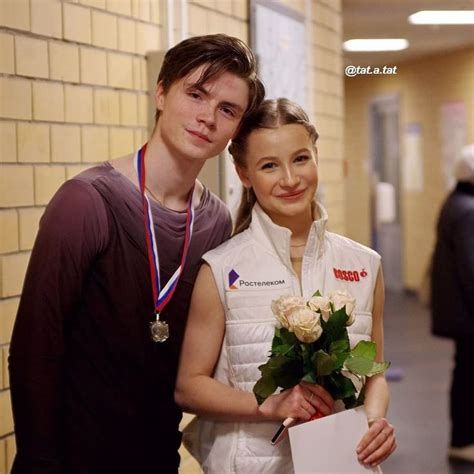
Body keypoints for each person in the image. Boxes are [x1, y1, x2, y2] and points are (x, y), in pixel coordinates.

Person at [8, 34, 265, 474]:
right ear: (161, 92)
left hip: (157, 455)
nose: (207, 117)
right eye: (196, 94)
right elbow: (35, 348)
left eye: (227, 110)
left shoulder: (215, 221)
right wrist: (40, 461)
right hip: (71, 459)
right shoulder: (86, 201)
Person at [175, 98, 396, 473]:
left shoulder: (364, 264)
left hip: (342, 463)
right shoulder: (221, 269)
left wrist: (374, 422)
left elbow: (372, 373)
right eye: (269, 166)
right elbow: (189, 386)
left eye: (300, 159)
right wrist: (267, 406)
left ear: (315, 155)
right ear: (243, 173)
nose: (291, 180)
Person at [431, 144, 474, 463]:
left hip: (459, 310)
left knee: (465, 373)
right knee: (468, 377)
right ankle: (463, 439)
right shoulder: (468, 209)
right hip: (467, 313)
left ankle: (462, 438)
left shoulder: (455, 202)